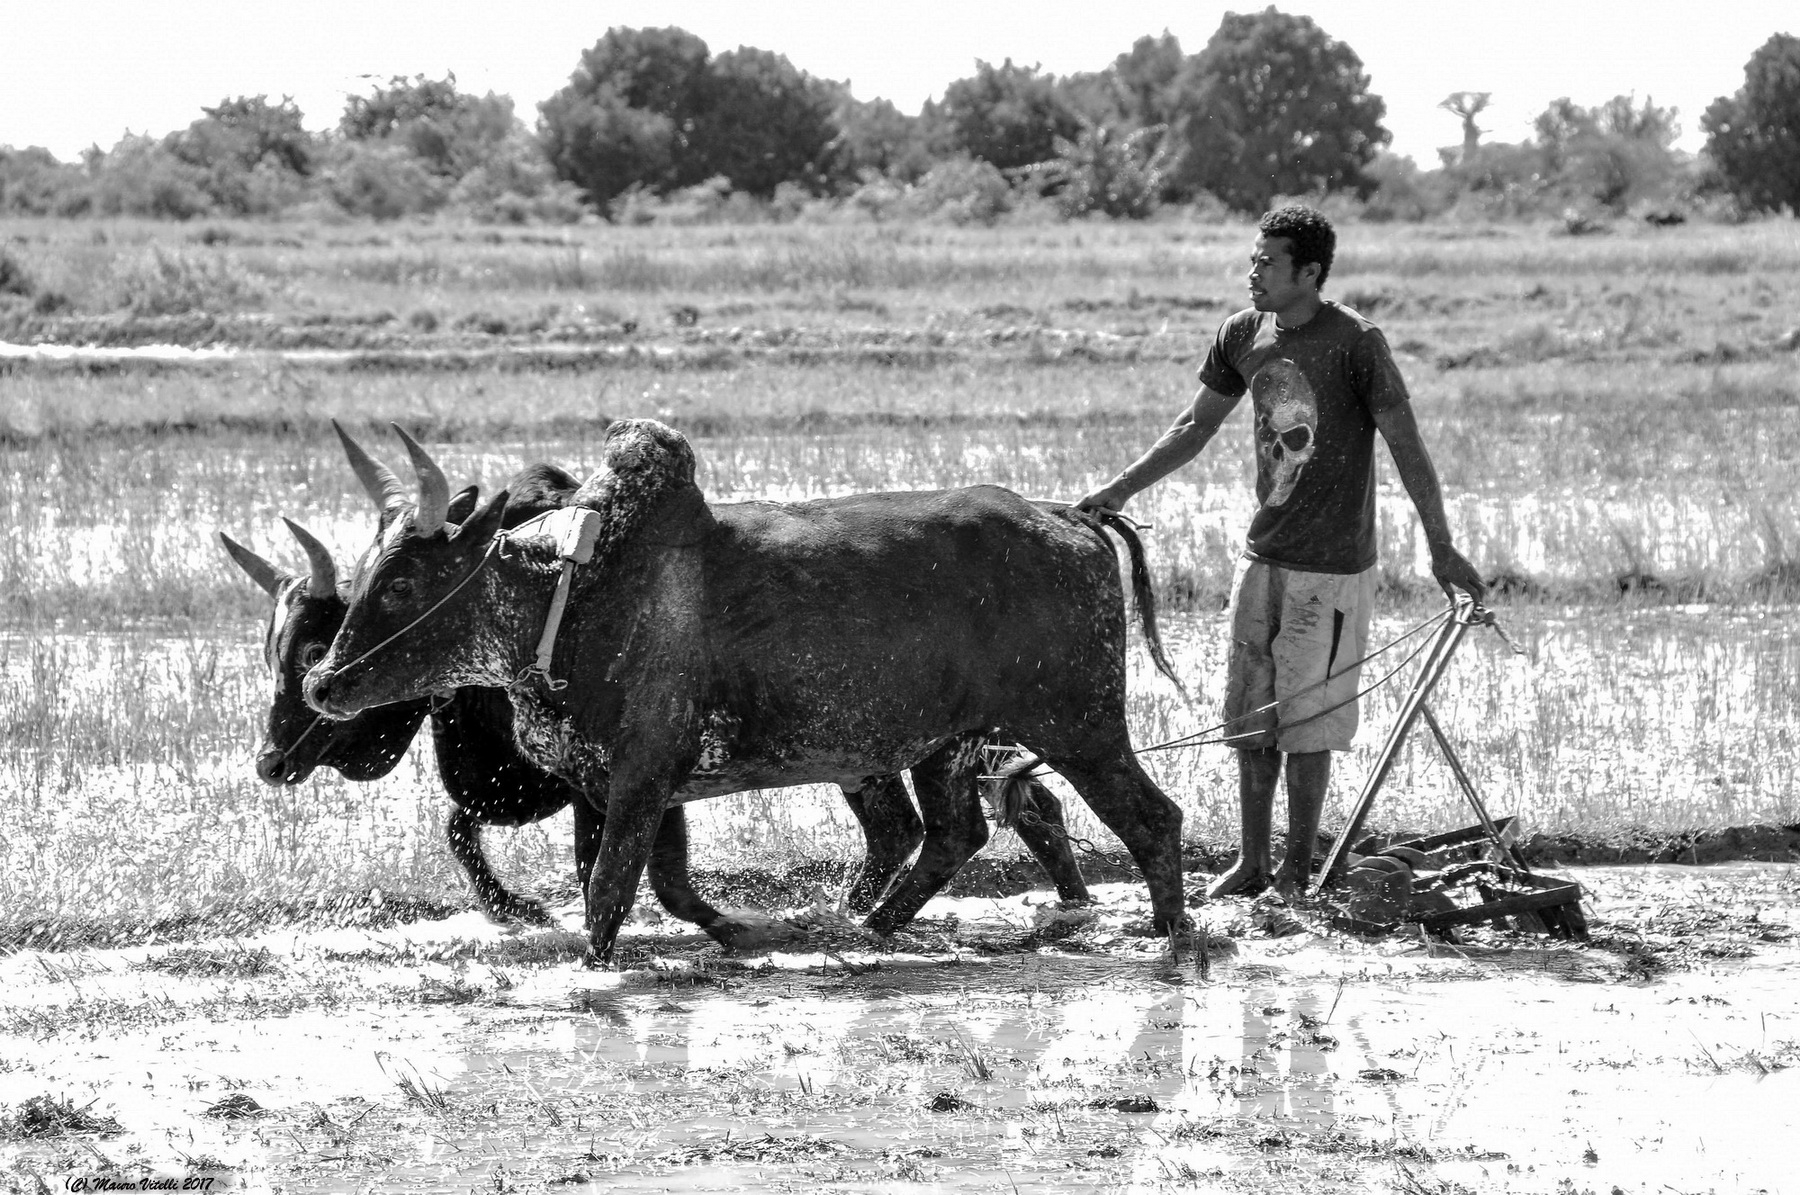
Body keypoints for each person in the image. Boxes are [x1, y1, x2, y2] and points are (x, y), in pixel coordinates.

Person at [1077, 204, 1486, 899]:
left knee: (1308, 725)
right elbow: (1195, 424)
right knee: (1250, 720)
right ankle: (1252, 862)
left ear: (1311, 272)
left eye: (1269, 261)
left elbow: (1406, 443)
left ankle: (1297, 872)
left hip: (1331, 570)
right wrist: (1115, 492)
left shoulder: (1355, 341)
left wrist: (1440, 547)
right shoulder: (1243, 334)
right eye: (1253, 258)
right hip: (1260, 559)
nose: (1254, 271)